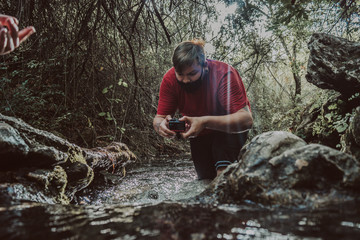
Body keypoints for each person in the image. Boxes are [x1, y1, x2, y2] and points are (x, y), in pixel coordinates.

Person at [153, 39, 253, 180]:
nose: (186, 80)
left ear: (204, 66)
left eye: (192, 74)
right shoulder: (169, 80)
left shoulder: (224, 74)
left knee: (223, 175)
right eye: (180, 75)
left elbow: (246, 119)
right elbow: (159, 118)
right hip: (199, 134)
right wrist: (161, 126)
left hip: (228, 128)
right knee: (205, 179)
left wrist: (205, 121)